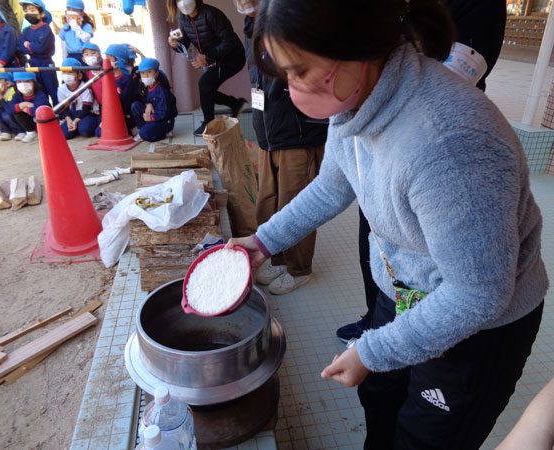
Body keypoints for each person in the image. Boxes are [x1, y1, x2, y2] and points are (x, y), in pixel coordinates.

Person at [226, 1, 548, 449]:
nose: (291, 89)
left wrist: (372, 350)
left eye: (298, 72)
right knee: (380, 398)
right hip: (403, 288)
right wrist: (263, 242)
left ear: (353, 49)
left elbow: (478, 294)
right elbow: (333, 185)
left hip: (477, 323)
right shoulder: (355, 97)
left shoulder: (450, 142)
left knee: (422, 438)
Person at [335, 0, 508, 344]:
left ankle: (409, 331)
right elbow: (328, 187)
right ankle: (377, 317)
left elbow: (457, 75)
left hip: (429, 147)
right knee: (375, 239)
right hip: (385, 136)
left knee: (427, 257)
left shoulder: (481, 6)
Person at [237, 0, 328, 294]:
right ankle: (277, 258)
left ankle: (299, 269)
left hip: (297, 135)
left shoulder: (293, 21)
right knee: (268, 202)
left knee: (295, 204)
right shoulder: (255, 29)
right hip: (269, 133)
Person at [166, 0, 248, 136]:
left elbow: (229, 42)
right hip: (215, 60)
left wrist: (207, 58)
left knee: (204, 84)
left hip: (233, 58)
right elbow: (184, 43)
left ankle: (209, 123)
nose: (183, 2)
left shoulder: (212, 14)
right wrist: (175, 45)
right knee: (206, 89)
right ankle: (236, 104)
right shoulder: (183, 19)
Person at [17, 0, 58, 105]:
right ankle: (44, 110)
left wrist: (28, 45)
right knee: (39, 92)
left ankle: (59, 111)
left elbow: (41, 47)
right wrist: (31, 46)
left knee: (53, 90)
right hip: (33, 63)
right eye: (27, 11)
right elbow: (20, 47)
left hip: (46, 63)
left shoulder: (46, 29)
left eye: (32, 10)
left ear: (42, 13)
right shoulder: (26, 30)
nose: (29, 13)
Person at [96, 43, 139, 136]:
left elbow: (126, 103)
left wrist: (110, 117)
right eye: (106, 57)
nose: (106, 61)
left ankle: (134, 128)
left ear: (119, 60)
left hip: (124, 114)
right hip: (111, 112)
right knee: (99, 132)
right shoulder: (108, 76)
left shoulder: (127, 79)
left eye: (109, 58)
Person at [131, 57, 177, 142]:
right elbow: (146, 100)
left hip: (164, 121)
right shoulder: (146, 88)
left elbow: (164, 112)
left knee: (145, 134)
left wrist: (151, 118)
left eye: (149, 72)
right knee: (135, 105)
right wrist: (148, 104)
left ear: (156, 73)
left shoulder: (162, 90)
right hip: (153, 117)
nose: (146, 76)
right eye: (143, 73)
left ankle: (165, 133)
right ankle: (143, 129)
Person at [57, 57, 98, 139]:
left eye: (70, 72)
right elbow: (64, 108)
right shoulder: (61, 89)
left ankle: (82, 125)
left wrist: (76, 121)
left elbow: (86, 109)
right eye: (64, 72)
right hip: (72, 113)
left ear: (79, 75)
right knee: (64, 134)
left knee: (85, 130)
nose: (66, 75)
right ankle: (76, 126)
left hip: (86, 113)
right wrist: (68, 119)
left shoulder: (84, 87)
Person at [7, 71, 50, 143]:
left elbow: (37, 112)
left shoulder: (40, 95)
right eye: (19, 81)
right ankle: (31, 132)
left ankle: (40, 132)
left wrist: (23, 109)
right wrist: (24, 104)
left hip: (42, 121)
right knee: (16, 113)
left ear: (34, 82)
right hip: (29, 121)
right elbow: (9, 109)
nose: (23, 84)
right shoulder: (17, 95)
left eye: (27, 81)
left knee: (18, 110)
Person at [0, 72, 22, 141]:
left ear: (8, 84)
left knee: (6, 114)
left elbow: (8, 108)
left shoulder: (12, 91)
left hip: (14, 116)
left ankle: (19, 131)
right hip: (4, 119)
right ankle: (5, 131)